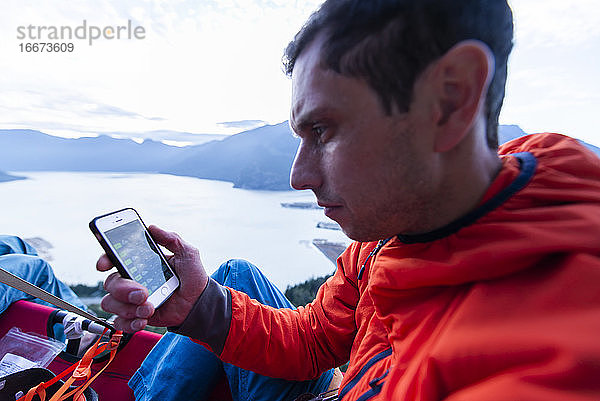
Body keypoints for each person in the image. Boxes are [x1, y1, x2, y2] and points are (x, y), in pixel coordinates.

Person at [98, 0, 600, 400]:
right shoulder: (399, 223)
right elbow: (315, 338)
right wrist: (198, 306)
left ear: (450, 99)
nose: (299, 176)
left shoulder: (549, 359)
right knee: (231, 276)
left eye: (322, 130)